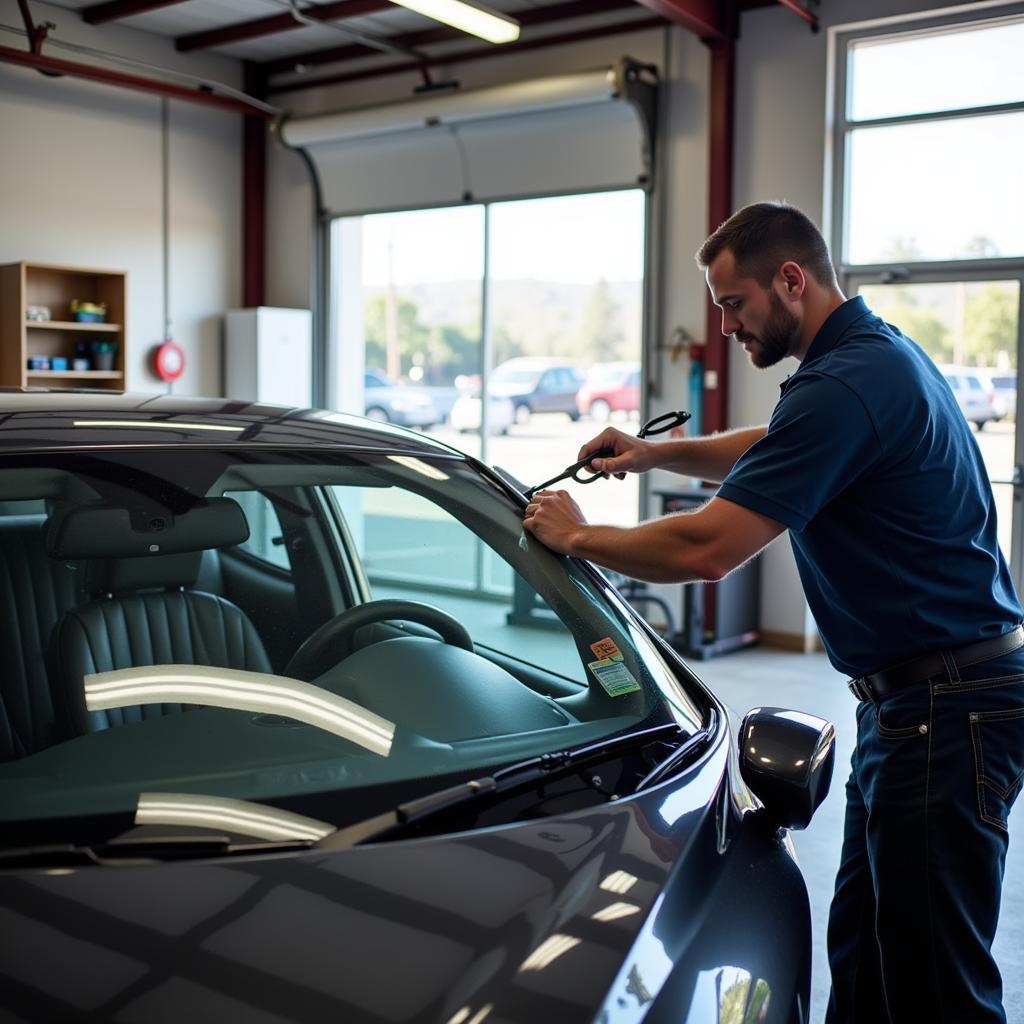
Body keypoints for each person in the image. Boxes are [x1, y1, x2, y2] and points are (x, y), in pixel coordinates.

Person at [522, 201, 1024, 1024]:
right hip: (921, 704)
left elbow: (708, 550)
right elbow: (777, 439)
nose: (724, 326)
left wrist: (582, 539)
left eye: (733, 304)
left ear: (790, 280)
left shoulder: (848, 382)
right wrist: (655, 452)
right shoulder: (872, 357)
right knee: (867, 956)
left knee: (936, 984)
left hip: (946, 706)